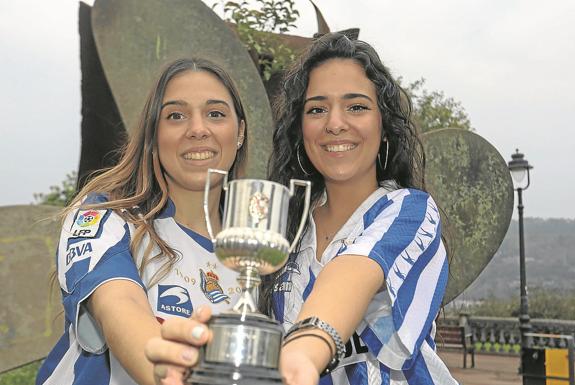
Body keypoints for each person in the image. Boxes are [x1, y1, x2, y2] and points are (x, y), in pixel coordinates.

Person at [145, 33, 458, 385]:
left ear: (384, 127)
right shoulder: (285, 235)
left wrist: (303, 350)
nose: (335, 123)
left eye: (356, 106)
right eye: (317, 109)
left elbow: (354, 272)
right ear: (300, 128)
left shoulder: (409, 213)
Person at [36, 57, 248, 385]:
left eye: (215, 114)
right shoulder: (105, 215)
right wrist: (165, 366)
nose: (198, 129)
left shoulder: (260, 249)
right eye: (175, 115)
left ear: (240, 133)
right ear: (153, 133)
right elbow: (119, 304)